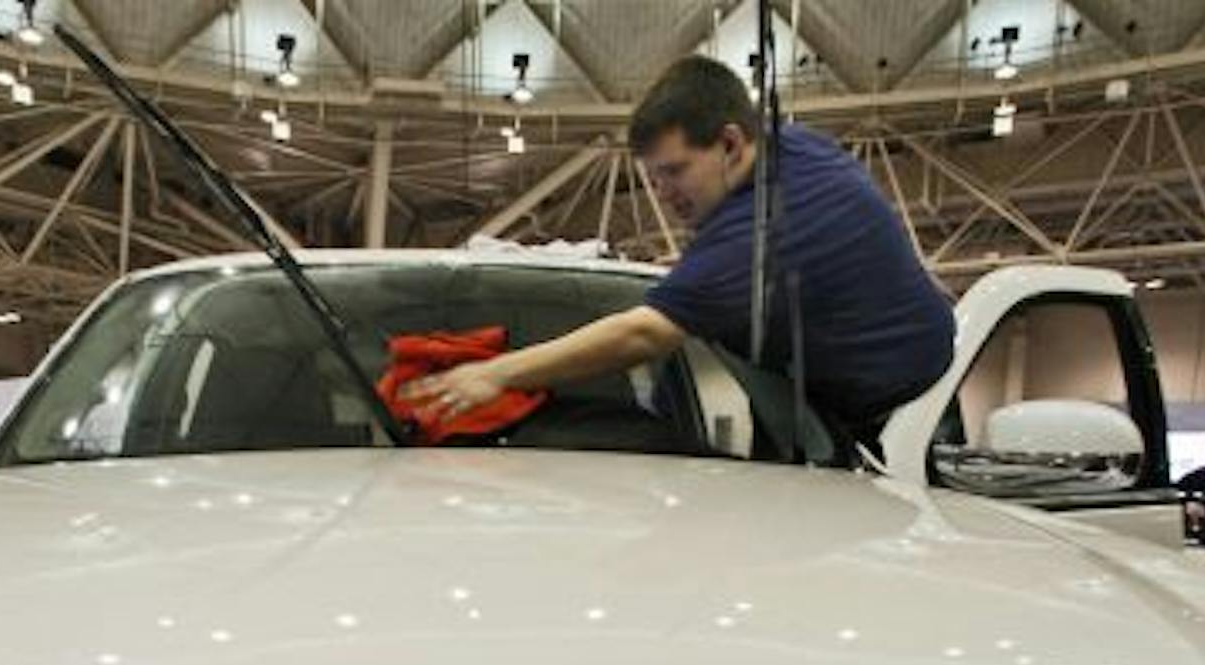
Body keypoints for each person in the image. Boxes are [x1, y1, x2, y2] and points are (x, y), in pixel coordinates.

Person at [403, 56, 954, 455]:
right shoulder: (795, 147)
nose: (662, 195)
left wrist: (496, 374)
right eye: (652, 178)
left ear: (732, 144)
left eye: (673, 171)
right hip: (837, 405)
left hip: (908, 419)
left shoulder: (756, 236)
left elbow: (641, 335)